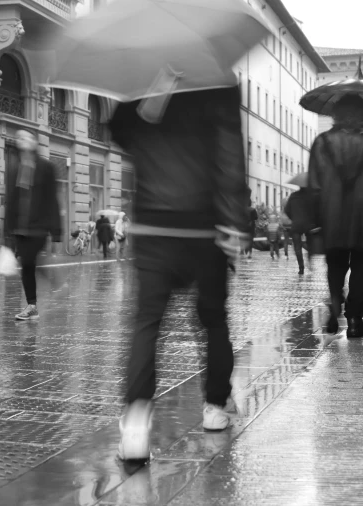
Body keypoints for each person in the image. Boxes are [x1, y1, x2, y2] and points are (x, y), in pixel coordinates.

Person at [109, 83, 250, 461]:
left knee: (147, 322)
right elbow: (230, 154)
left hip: (154, 225)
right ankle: (215, 408)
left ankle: (136, 424)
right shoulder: (218, 79)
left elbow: (120, 133)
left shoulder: (143, 71)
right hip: (206, 226)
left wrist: (148, 105)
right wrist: (236, 221)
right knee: (213, 319)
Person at [308, 95, 363, 338]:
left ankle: (335, 306)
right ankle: (355, 319)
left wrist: (316, 218)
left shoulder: (322, 142)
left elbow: (314, 181)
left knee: (335, 265)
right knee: (362, 268)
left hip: (332, 213)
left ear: (336, 114)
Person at [4, 130, 62, 321]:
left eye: (25, 137)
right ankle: (32, 306)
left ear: (34, 142)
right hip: (20, 228)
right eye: (18, 137)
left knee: (28, 260)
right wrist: (7, 231)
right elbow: (11, 200)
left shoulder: (46, 167)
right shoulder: (15, 168)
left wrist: (56, 232)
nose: (21, 140)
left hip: (39, 226)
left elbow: (52, 200)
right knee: (27, 266)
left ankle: (57, 284)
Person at [283, 187, 317, 275]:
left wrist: (294, 218)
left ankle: (301, 268)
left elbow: (287, 210)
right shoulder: (310, 196)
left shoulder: (293, 196)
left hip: (296, 225)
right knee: (310, 244)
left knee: (297, 248)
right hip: (307, 225)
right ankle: (309, 262)